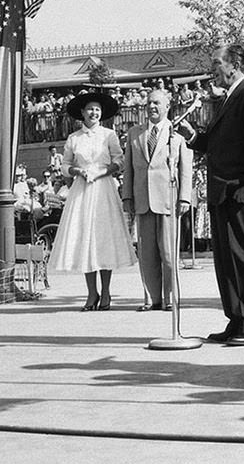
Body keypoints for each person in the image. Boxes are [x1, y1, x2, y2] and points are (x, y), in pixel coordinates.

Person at [179, 44, 244, 346]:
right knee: (227, 262)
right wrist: (194, 137)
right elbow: (219, 143)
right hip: (222, 193)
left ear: (234, 65)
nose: (212, 70)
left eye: (216, 63)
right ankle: (237, 319)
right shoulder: (227, 98)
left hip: (239, 193)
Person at [49, 91, 136, 310]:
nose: (93, 113)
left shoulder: (109, 135)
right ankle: (91, 293)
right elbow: (65, 165)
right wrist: (77, 171)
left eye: (97, 109)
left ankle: (106, 292)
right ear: (82, 112)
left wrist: (103, 171)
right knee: (85, 240)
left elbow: (120, 160)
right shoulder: (74, 138)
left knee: (103, 239)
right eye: (89, 109)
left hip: (103, 189)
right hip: (82, 191)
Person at [121, 89, 193, 311]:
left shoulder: (177, 133)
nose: (152, 107)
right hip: (143, 200)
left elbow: (186, 168)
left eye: (157, 103)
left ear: (167, 107)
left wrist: (184, 198)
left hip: (168, 200)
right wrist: (127, 196)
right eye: (149, 103)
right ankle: (152, 298)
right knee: (147, 254)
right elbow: (128, 168)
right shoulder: (134, 133)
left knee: (169, 254)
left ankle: (170, 297)